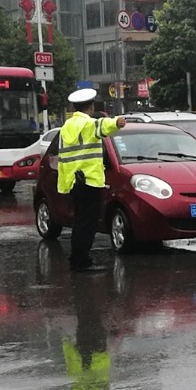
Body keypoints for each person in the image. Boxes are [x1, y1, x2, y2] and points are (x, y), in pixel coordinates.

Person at [58, 88, 127, 272]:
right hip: (89, 181)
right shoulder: (87, 124)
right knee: (87, 224)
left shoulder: (67, 127)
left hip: (74, 182)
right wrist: (117, 122)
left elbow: (64, 158)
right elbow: (102, 125)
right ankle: (82, 261)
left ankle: (77, 258)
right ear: (91, 106)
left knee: (80, 222)